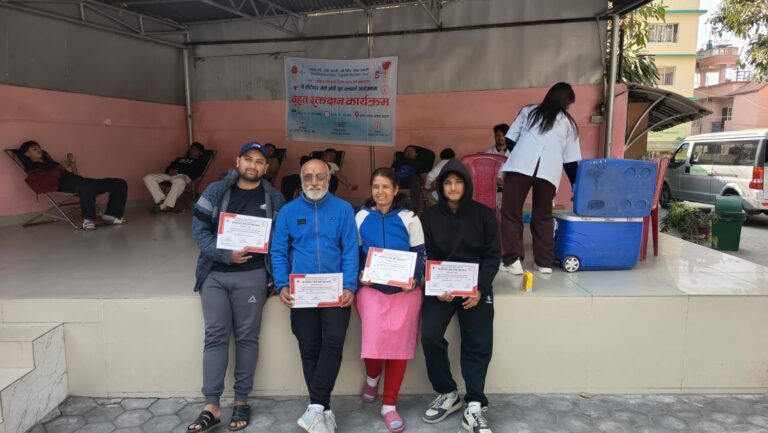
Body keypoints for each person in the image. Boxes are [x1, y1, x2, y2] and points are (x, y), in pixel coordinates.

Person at [187, 142, 284, 432]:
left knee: (247, 338)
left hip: (252, 275)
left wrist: (276, 277)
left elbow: (279, 240)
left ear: (266, 168)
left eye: (259, 162)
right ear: (238, 161)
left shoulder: (274, 198)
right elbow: (199, 229)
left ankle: (241, 400)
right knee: (215, 336)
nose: (253, 165)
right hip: (215, 275)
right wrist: (224, 254)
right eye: (248, 159)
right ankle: (211, 405)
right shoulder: (215, 191)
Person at [271, 159, 359, 433]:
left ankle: (315, 406)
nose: (314, 182)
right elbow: (278, 251)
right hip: (302, 293)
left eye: (319, 176)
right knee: (309, 348)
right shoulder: (288, 212)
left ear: (329, 179)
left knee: (333, 343)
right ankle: (323, 410)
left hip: (336, 292)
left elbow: (350, 250)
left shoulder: (343, 209)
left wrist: (350, 285)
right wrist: (282, 284)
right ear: (301, 180)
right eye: (308, 177)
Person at [419, 159, 500, 433]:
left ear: (467, 185)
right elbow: (427, 255)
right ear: (441, 187)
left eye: (458, 182)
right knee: (430, 335)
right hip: (442, 288)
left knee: (478, 341)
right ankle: (448, 392)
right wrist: (435, 285)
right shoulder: (429, 217)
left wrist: (481, 288)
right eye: (448, 182)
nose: (453, 187)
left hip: (475, 287)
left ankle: (475, 403)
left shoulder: (484, 215)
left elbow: (493, 255)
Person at [355, 167, 426, 433]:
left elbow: (420, 254)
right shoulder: (361, 217)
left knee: (399, 348)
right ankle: (373, 376)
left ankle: (389, 405)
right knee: (372, 343)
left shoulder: (410, 218)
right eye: (376, 186)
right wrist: (359, 275)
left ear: (396, 190)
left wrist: (415, 279)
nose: (380, 192)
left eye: (386, 186)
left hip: (404, 293)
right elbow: (353, 252)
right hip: (371, 290)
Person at [499, 82, 581, 275]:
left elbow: (510, 139)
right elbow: (570, 161)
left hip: (520, 167)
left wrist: (522, 153)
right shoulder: (569, 123)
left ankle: (513, 261)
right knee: (543, 215)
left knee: (511, 212)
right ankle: (544, 263)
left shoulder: (529, 111)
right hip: (549, 172)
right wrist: (575, 185)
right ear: (567, 102)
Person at [17, 140, 128, 231]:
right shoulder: (33, 168)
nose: (39, 150)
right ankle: (88, 219)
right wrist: (61, 167)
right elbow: (45, 182)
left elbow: (75, 176)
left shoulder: (53, 164)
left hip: (80, 182)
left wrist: (72, 164)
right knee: (86, 185)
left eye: (39, 147)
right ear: (27, 154)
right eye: (34, 149)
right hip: (63, 185)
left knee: (119, 183)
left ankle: (111, 215)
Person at [144, 142, 209, 213]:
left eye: (196, 149)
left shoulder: (200, 161)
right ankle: (161, 200)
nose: (192, 150)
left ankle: (165, 206)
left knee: (180, 181)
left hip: (183, 176)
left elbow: (196, 172)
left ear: (201, 153)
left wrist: (178, 170)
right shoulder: (180, 159)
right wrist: (170, 170)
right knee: (148, 178)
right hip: (170, 175)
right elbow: (170, 166)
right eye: (192, 148)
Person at [392, 145, 423, 210]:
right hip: (399, 178)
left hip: (412, 179)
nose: (409, 152)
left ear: (416, 154)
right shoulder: (400, 160)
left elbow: (421, 172)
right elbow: (393, 169)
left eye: (412, 150)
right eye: (407, 151)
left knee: (414, 178)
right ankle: (392, 205)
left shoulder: (419, 161)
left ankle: (414, 207)